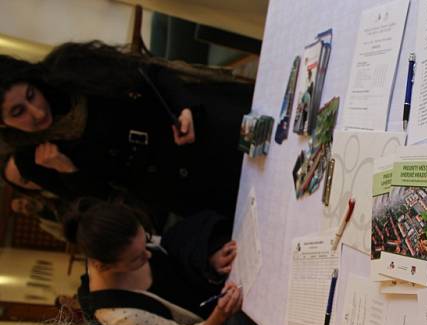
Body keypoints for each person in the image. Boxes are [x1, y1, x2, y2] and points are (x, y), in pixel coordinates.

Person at [0, 40, 253, 228]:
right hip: (185, 185)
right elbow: (100, 203)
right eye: (18, 111)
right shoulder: (30, 161)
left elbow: (151, 72)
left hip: (201, 126)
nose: (36, 112)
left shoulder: (68, 68)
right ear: (4, 124)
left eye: (31, 95)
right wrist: (68, 171)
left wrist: (183, 108)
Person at [65, 198, 264, 325]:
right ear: (104, 266)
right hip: (218, 318)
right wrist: (221, 315)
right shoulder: (117, 316)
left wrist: (209, 259)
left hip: (218, 282)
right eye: (136, 259)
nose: (149, 254)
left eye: (146, 242)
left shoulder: (122, 241)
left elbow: (174, 250)